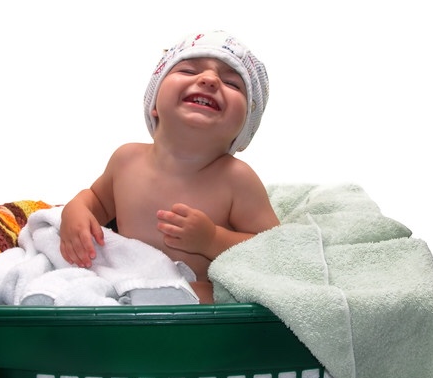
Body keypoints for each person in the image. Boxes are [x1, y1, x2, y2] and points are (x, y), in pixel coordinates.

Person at [59, 31, 279, 303]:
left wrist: (212, 240)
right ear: (154, 105)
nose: (209, 80)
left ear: (243, 128)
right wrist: (76, 210)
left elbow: (271, 250)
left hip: (194, 306)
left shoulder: (236, 179)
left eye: (232, 84)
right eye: (188, 70)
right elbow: (97, 201)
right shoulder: (126, 160)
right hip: (124, 293)